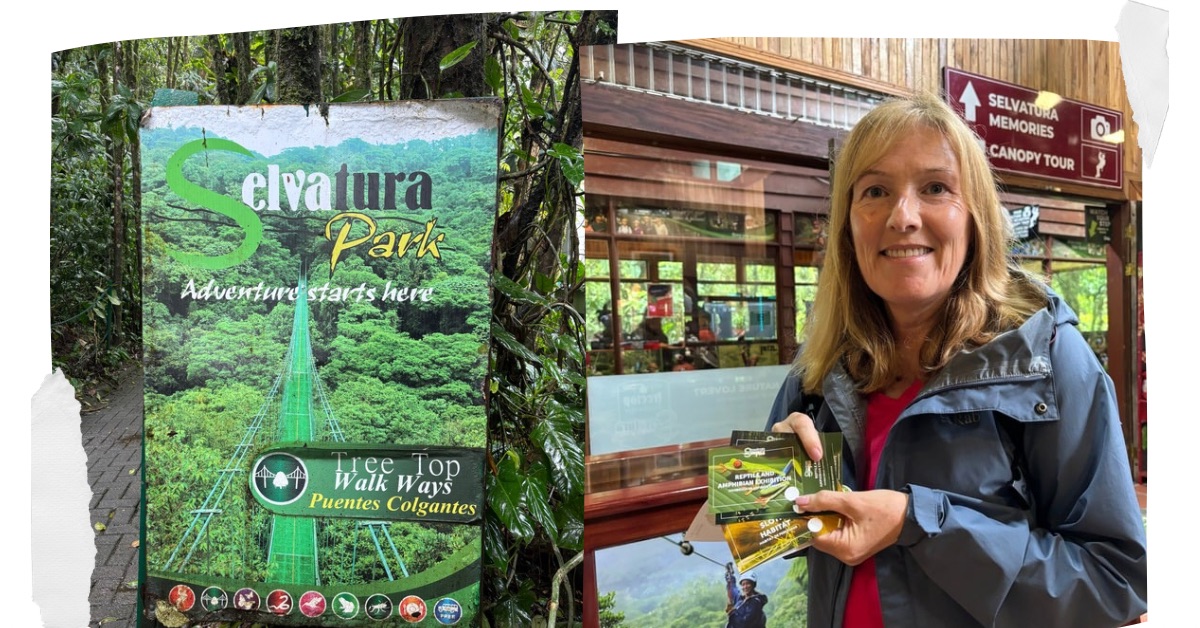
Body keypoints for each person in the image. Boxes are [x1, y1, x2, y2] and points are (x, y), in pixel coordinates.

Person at [765, 92, 1147, 627]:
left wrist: (916, 523)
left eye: (936, 188)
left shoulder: (1046, 360)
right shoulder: (820, 369)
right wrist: (779, 484)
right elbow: (791, 538)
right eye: (875, 190)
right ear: (849, 224)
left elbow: (1117, 582)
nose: (903, 216)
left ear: (975, 219)